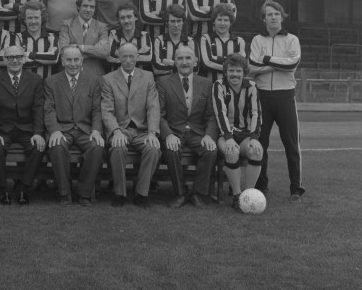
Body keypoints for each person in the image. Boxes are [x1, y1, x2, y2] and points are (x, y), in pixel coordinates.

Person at [248, 0, 305, 202]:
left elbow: (292, 64)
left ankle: (296, 188)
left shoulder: (292, 39)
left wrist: (266, 59)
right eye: (269, 14)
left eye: (277, 14)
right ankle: (261, 186)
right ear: (263, 19)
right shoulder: (257, 40)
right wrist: (276, 64)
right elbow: (252, 66)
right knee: (260, 143)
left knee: (292, 143)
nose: (273, 17)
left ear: (282, 17)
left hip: (286, 96)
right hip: (262, 96)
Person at [157, 45, 218, 208]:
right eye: (180, 58)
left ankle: (198, 193)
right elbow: (159, 114)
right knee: (171, 150)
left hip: (198, 133)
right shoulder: (163, 82)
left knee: (211, 150)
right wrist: (168, 134)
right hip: (175, 132)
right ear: (175, 62)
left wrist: (209, 135)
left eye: (188, 58)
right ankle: (180, 193)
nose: (184, 62)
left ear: (195, 61)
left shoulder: (206, 83)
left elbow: (211, 115)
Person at [101, 43, 161, 208]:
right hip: (121, 129)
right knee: (118, 148)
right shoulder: (108, 79)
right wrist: (115, 131)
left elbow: (153, 107)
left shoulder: (147, 76)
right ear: (119, 57)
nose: (128, 60)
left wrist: (152, 133)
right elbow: (107, 111)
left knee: (153, 149)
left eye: (131, 56)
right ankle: (119, 193)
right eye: (124, 56)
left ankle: (142, 194)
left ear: (137, 57)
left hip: (142, 130)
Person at [44, 45, 104, 206]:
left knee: (97, 147)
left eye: (76, 59)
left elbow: (97, 110)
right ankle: (65, 193)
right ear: (62, 61)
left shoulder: (93, 80)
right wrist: (55, 131)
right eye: (68, 60)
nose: (72, 64)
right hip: (62, 129)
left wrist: (97, 131)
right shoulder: (51, 82)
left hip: (85, 130)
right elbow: (49, 110)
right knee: (57, 146)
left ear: (82, 60)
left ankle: (84, 193)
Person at [0, 45, 46, 205]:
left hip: (27, 129)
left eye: (18, 56)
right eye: (10, 57)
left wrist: (38, 133)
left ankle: (23, 189)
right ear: (4, 60)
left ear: (24, 59)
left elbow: (38, 108)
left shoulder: (35, 80)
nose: (15, 60)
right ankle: (3, 189)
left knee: (37, 147)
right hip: (3, 129)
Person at [212, 53, 263, 211]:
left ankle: (248, 195)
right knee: (231, 151)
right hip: (224, 134)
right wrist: (228, 137)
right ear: (225, 72)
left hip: (244, 134)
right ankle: (237, 195)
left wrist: (254, 137)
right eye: (231, 70)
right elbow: (220, 113)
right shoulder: (219, 85)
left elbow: (257, 113)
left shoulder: (252, 87)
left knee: (256, 151)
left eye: (238, 71)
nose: (234, 74)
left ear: (244, 72)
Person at [59, 0, 109, 78]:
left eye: (92, 7)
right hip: (69, 73)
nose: (88, 10)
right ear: (78, 6)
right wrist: (93, 50)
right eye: (85, 6)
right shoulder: (66, 24)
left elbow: (104, 52)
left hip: (94, 75)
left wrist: (79, 47)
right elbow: (63, 50)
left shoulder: (102, 27)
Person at [199, 3, 246, 82]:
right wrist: (231, 63)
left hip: (232, 86)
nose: (222, 23)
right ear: (214, 21)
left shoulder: (239, 41)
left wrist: (215, 58)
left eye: (226, 20)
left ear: (230, 23)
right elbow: (206, 63)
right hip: (211, 86)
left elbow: (241, 65)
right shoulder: (205, 38)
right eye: (219, 20)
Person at [14, 0, 59, 80]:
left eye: (36, 18)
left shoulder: (52, 37)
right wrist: (44, 59)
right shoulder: (17, 37)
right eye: (30, 18)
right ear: (24, 20)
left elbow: (54, 57)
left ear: (42, 19)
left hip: (46, 86)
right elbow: (17, 62)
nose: (33, 21)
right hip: (24, 86)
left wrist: (27, 54)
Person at [152, 4, 195, 77]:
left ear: (183, 22)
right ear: (167, 23)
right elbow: (156, 69)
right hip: (164, 84)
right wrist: (184, 65)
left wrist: (170, 62)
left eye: (179, 21)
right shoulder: (158, 40)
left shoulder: (190, 41)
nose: (176, 25)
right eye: (172, 21)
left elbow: (195, 68)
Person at [107, 3, 152, 70]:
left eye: (129, 17)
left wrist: (120, 54)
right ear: (118, 20)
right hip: (117, 77)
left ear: (136, 17)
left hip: (138, 78)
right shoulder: (113, 34)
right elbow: (109, 58)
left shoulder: (144, 35)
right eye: (122, 18)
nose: (126, 21)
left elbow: (147, 59)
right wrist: (138, 53)